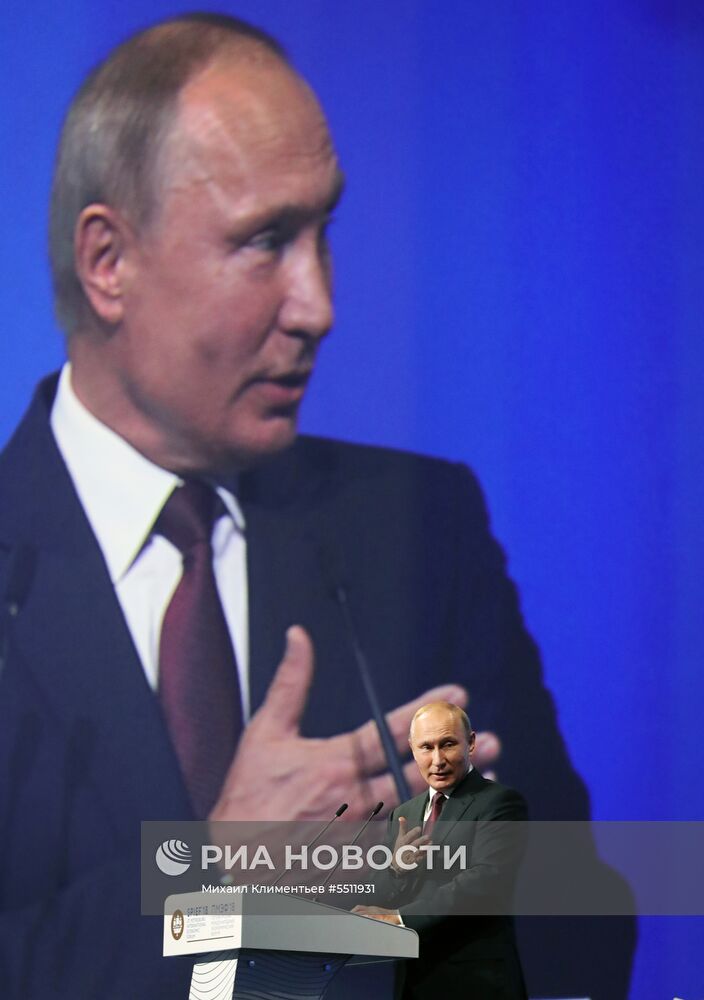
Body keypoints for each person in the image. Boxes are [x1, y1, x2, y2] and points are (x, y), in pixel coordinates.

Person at [0, 12, 632, 1000]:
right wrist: (219, 882)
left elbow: (579, 918)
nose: (318, 306)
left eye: (322, 233)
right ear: (108, 262)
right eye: (264, 241)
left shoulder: (420, 531)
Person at [354, 702, 527, 999]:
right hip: (414, 983)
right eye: (426, 747)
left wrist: (400, 918)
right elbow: (377, 900)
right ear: (412, 749)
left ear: (470, 743)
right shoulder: (404, 814)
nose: (437, 760)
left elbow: (485, 882)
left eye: (447, 744)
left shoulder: (499, 802)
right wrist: (396, 869)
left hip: (477, 984)